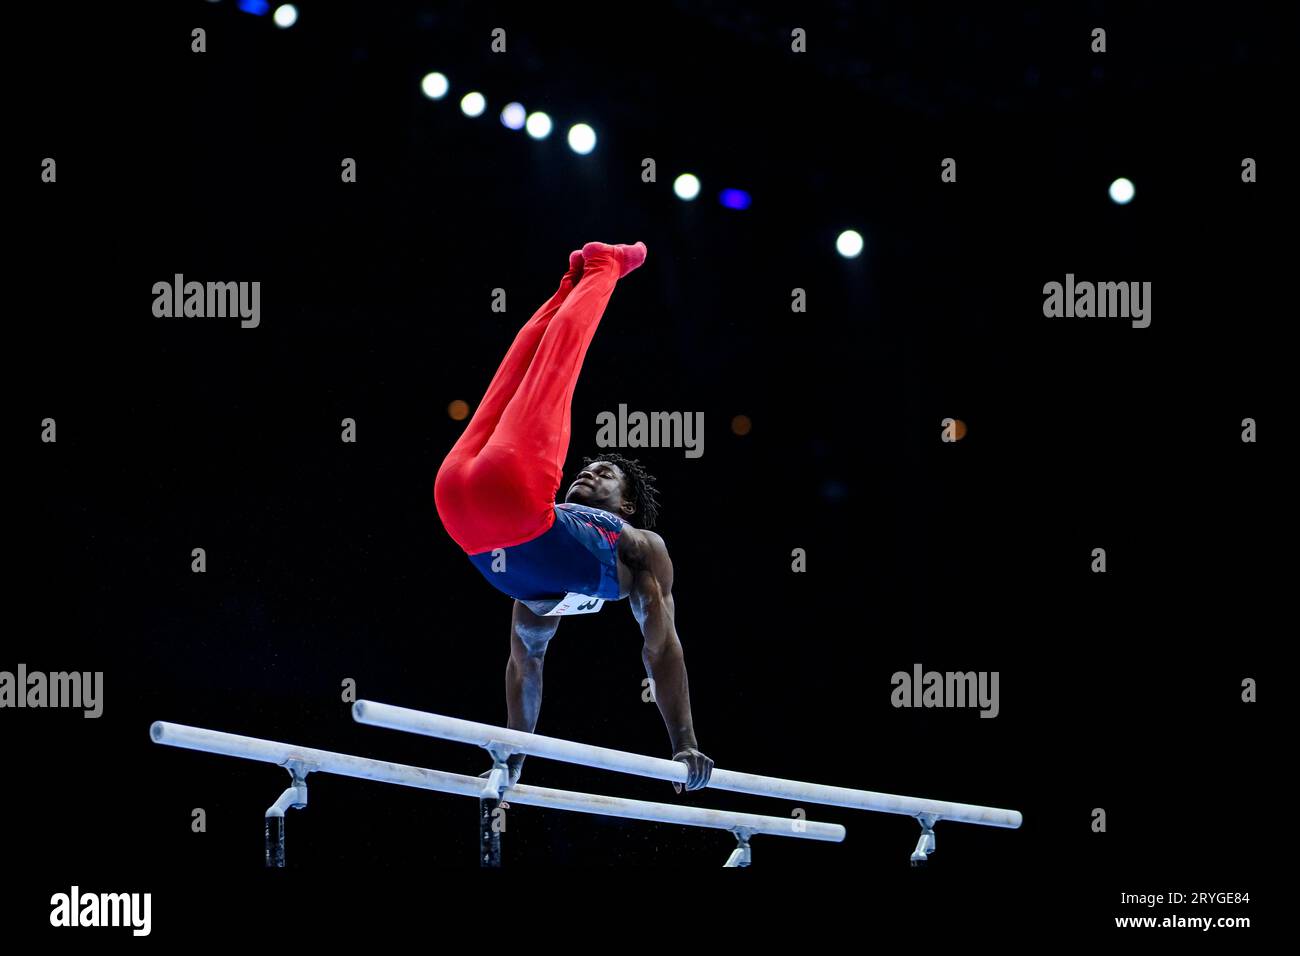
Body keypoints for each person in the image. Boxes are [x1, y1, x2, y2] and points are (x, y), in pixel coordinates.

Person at [434, 241, 713, 793]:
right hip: (489, 506)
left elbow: (661, 646)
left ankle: (605, 266)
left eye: (607, 474)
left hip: (465, 513)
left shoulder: (639, 543)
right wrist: (516, 749)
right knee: (518, 373)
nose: (590, 473)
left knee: (553, 366)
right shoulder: (548, 563)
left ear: (627, 505)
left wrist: (683, 740)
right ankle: (574, 283)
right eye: (591, 468)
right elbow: (524, 664)